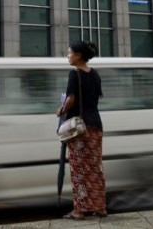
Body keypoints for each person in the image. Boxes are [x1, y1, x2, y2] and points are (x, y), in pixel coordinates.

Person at [55, 40, 106, 220]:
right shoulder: (95, 74)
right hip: (96, 126)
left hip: (79, 129)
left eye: (69, 52)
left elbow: (70, 100)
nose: (68, 56)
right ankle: (100, 206)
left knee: (78, 169)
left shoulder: (74, 74)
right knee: (95, 167)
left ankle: (79, 210)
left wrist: (61, 110)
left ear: (78, 56)